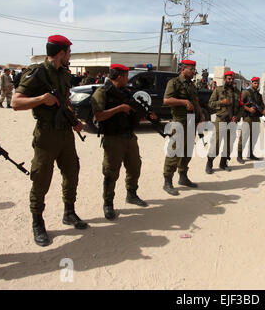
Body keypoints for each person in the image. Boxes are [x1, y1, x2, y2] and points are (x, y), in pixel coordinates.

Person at [11, 34, 88, 247]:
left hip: (65, 134)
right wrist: (41, 99)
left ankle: (69, 212)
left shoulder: (63, 74)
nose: (69, 56)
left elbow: (64, 101)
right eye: (69, 52)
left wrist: (74, 120)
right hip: (46, 136)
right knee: (41, 179)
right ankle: (38, 223)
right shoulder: (36, 73)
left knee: (72, 173)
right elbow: (16, 103)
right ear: (61, 52)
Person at [91, 64, 156, 220]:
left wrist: (143, 115)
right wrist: (119, 108)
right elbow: (98, 116)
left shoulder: (124, 93)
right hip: (113, 138)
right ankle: (108, 204)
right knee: (111, 172)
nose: (128, 79)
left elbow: (131, 111)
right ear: (119, 76)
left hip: (129, 136)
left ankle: (131, 194)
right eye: (126, 76)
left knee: (135, 167)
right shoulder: (102, 92)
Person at [162, 59, 204, 196]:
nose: (193, 72)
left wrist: (201, 115)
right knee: (175, 151)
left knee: (188, 150)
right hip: (179, 121)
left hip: (192, 120)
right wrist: (183, 101)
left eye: (194, 70)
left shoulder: (191, 85)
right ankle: (167, 181)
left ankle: (183, 176)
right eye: (191, 69)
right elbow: (166, 100)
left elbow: (195, 101)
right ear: (183, 69)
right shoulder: (174, 82)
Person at [206, 70, 243, 173]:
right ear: (225, 79)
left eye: (232, 79)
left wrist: (237, 117)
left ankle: (223, 163)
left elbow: (241, 107)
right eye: (229, 78)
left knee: (229, 143)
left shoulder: (237, 92)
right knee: (216, 142)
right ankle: (209, 163)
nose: (231, 80)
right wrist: (221, 102)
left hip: (232, 121)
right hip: (221, 120)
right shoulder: (218, 90)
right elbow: (211, 103)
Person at [237, 76, 265, 164]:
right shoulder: (246, 92)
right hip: (248, 117)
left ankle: (250, 153)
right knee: (244, 136)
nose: (256, 85)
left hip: (256, 118)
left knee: (254, 136)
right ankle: (239, 155)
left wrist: (264, 109)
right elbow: (240, 103)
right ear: (251, 83)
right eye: (255, 83)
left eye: (257, 83)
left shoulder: (258, 94)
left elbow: (261, 103)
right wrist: (249, 109)